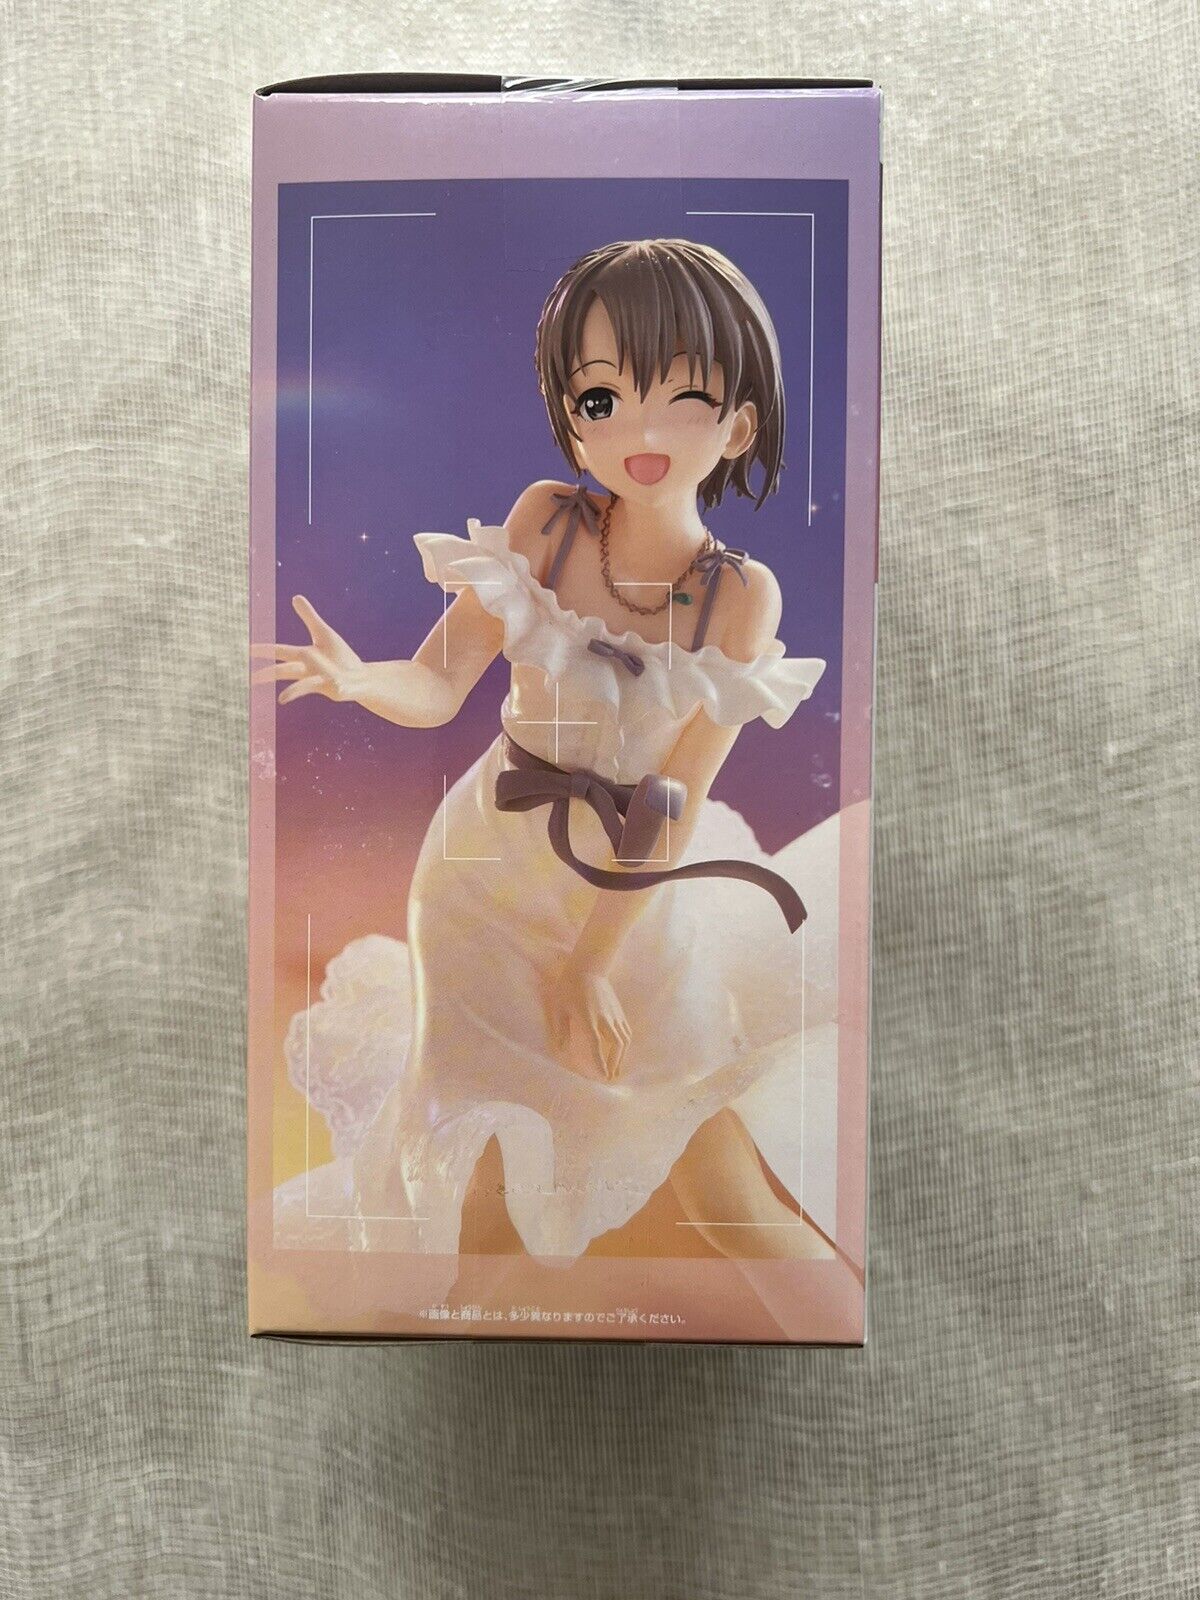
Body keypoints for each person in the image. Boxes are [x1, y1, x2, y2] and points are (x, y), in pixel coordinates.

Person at [253, 238, 843, 1307]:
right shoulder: (548, 525)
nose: (640, 434)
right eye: (603, 399)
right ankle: (460, 1331)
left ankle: (825, 1324)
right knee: (476, 1158)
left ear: (738, 425)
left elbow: (673, 801)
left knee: (701, 1155)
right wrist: (358, 679)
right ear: (571, 416)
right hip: (484, 873)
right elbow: (439, 684)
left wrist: (591, 962)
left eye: (684, 398)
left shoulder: (738, 597)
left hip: (630, 892)